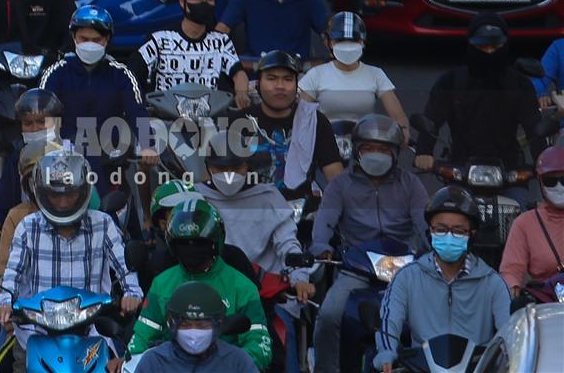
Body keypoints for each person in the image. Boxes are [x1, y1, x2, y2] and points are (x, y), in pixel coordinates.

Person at [0, 148, 144, 365]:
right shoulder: (27, 228)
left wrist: (132, 293)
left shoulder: (103, 224)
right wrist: (5, 301)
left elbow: (125, 266)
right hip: (36, 333)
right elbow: (12, 275)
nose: (63, 202)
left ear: (84, 190)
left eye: (70, 193)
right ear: (43, 192)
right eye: (56, 195)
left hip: (90, 332)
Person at [310, 114, 427, 373]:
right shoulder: (339, 185)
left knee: (431, 316)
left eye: (383, 149)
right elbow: (325, 223)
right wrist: (321, 247)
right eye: (369, 148)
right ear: (357, 151)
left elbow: (425, 222)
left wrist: (434, 246)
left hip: (405, 268)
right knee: (330, 315)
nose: (376, 154)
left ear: (395, 153)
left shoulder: (411, 184)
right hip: (356, 268)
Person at [375, 188, 510, 373]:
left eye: (458, 231)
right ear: (430, 233)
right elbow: (389, 322)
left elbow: (510, 333)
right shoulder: (406, 277)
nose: (448, 236)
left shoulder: (493, 282)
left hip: (477, 368)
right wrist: (386, 354)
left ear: (472, 235)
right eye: (441, 229)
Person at [129, 198, 273, 372]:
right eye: (184, 243)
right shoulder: (161, 283)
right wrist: (127, 361)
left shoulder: (242, 287)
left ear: (214, 243)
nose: (191, 249)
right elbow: (142, 338)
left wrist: (232, 366)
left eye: (198, 243)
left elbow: (259, 344)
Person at [420, 13, 547, 175]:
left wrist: (542, 159)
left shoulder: (520, 84)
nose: (489, 53)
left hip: (510, 170)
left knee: (521, 201)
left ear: (505, 45)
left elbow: (534, 126)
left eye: (495, 48)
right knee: (441, 201)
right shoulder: (450, 81)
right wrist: (424, 151)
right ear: (470, 46)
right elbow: (431, 118)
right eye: (482, 48)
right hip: (459, 170)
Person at [39, 6, 153, 183]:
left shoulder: (121, 74)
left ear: (107, 39)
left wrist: (148, 145)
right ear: (74, 37)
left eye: (96, 39)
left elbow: (136, 110)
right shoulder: (56, 72)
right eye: (84, 39)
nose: (90, 44)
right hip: (65, 156)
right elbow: (43, 112)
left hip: (112, 154)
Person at [196, 133, 311, 292]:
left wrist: (299, 278)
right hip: (209, 286)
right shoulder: (195, 199)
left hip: (263, 286)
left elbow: (287, 243)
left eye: (236, 168)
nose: (229, 175)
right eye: (221, 168)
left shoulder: (268, 197)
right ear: (208, 167)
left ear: (247, 166)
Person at [139, 0, 248, 98]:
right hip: (165, 114)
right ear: (182, 1)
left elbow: (239, 74)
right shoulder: (159, 40)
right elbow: (132, 74)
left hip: (210, 113)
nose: (204, 3)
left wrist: (241, 93)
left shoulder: (221, 41)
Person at [250, 49, 340, 195]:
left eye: (288, 79)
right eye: (271, 78)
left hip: (303, 209)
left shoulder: (315, 120)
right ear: (258, 84)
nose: (280, 86)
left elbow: (335, 177)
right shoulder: (238, 120)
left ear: (297, 85)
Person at [299, 13, 410, 131]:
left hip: (365, 143)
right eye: (340, 40)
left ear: (363, 42)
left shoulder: (376, 74)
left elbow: (398, 115)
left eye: (354, 41)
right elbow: (301, 116)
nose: (347, 46)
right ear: (329, 43)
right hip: (326, 142)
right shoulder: (316, 75)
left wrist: (403, 129)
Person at [133, 282, 259, 373]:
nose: (194, 333)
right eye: (185, 325)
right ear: (172, 324)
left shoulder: (238, 361)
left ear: (217, 324)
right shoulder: (154, 362)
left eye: (202, 325)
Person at [499, 144, 564, 297]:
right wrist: (512, 288)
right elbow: (511, 269)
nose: (559, 186)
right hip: (546, 303)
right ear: (540, 182)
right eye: (550, 181)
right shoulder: (525, 223)